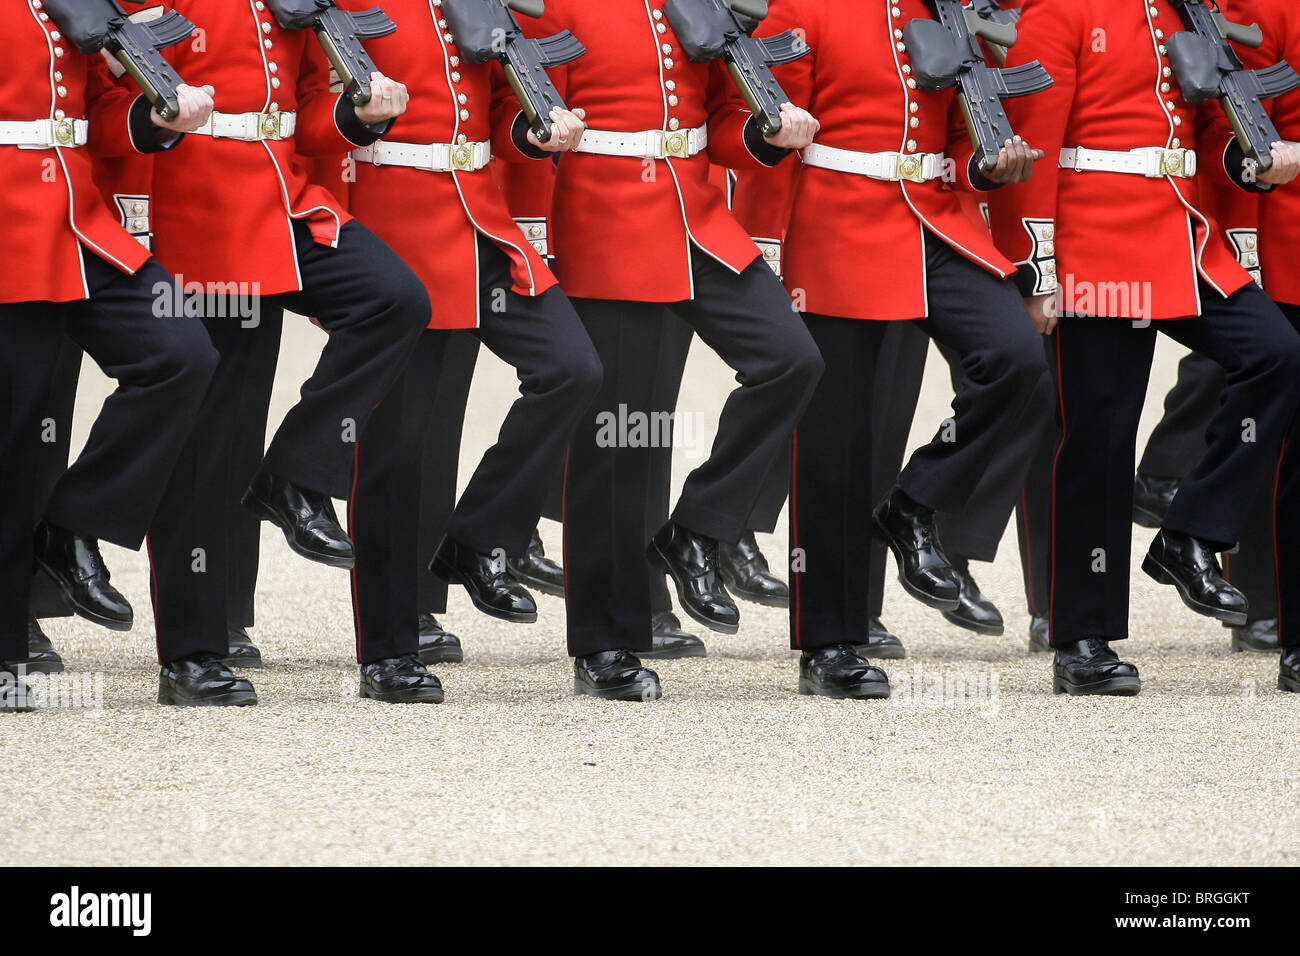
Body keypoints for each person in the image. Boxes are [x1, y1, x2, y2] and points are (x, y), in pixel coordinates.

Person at [739, 0, 1049, 699]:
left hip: (935, 220)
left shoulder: (949, 10)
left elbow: (967, 128)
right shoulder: (806, 9)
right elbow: (750, 117)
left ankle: (913, 505)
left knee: (1016, 362)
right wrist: (769, 144)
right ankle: (829, 641)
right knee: (837, 444)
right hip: (839, 218)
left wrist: (987, 167)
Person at [991, 0, 1300, 695]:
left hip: (1180, 235)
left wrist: (1251, 164)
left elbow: (1212, 132)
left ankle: (1187, 534)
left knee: (1278, 353)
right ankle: (1083, 637)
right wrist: (1038, 265)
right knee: (1099, 441)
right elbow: (1031, 149)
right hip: (1097, 243)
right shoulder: (1062, 13)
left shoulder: (1188, 12)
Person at [520, 1, 825, 700]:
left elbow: (719, 124)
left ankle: (696, 531)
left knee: (791, 360)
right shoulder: (557, 8)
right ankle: (606, 640)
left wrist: (762, 133)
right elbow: (527, 108)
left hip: (697, 222)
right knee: (619, 444)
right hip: (608, 222)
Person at [135, 1, 433, 706]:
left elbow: (303, 106)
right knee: (213, 436)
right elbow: (122, 96)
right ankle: (193, 650)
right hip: (197, 203)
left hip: (282, 198)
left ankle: (294, 475)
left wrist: (358, 117)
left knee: (394, 298)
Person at [332, 0, 602, 689]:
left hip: (481, 227)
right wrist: (355, 116)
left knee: (571, 368)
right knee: (399, 450)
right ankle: (389, 650)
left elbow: (485, 120)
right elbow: (312, 117)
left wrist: (534, 133)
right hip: (399, 231)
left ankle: (477, 537)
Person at [1, 1, 219, 713]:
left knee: (180, 352)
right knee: (15, 436)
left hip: (80, 225)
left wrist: (151, 120)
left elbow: (91, 112)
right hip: (8, 227)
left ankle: (69, 528)